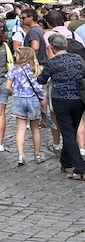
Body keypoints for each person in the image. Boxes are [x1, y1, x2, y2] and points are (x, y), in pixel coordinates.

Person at [36, 33, 85, 179]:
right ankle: (66, 163)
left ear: (51, 48)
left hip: (61, 100)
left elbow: (41, 79)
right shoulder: (78, 59)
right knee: (71, 130)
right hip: (78, 99)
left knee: (68, 133)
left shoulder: (53, 63)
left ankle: (80, 168)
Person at [7, 47, 45, 165]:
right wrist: (44, 104)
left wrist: (15, 92)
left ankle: (20, 155)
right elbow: (40, 89)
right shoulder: (37, 69)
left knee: (21, 129)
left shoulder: (15, 69)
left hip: (19, 99)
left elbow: (7, 87)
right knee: (35, 128)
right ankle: (38, 154)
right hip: (33, 99)